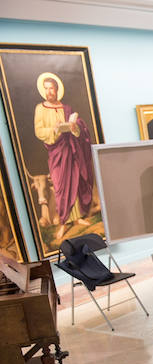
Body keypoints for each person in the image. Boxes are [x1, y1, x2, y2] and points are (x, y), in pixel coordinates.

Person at [33, 73, 95, 241]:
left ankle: (76, 218)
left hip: (71, 149)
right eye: (46, 88)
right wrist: (54, 129)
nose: (49, 91)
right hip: (57, 152)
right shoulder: (41, 108)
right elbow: (39, 131)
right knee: (61, 187)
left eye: (51, 88)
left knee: (74, 181)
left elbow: (77, 131)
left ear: (57, 89)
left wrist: (75, 127)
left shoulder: (65, 108)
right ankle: (62, 223)